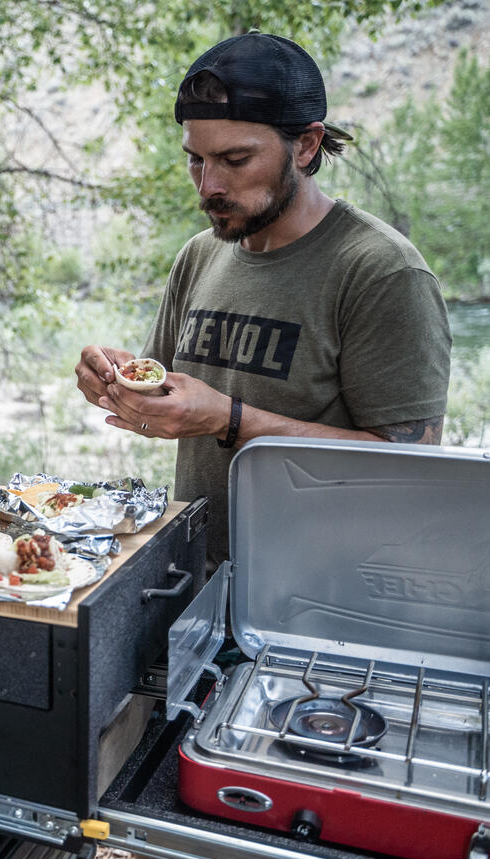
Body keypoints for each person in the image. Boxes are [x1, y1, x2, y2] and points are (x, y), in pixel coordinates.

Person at [75, 32, 450, 570]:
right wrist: (113, 383)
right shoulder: (199, 256)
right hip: (196, 578)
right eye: (196, 161)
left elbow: (408, 467)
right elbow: (163, 408)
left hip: (320, 598)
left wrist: (228, 419)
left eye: (234, 159)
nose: (208, 186)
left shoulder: (382, 271)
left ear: (306, 144)